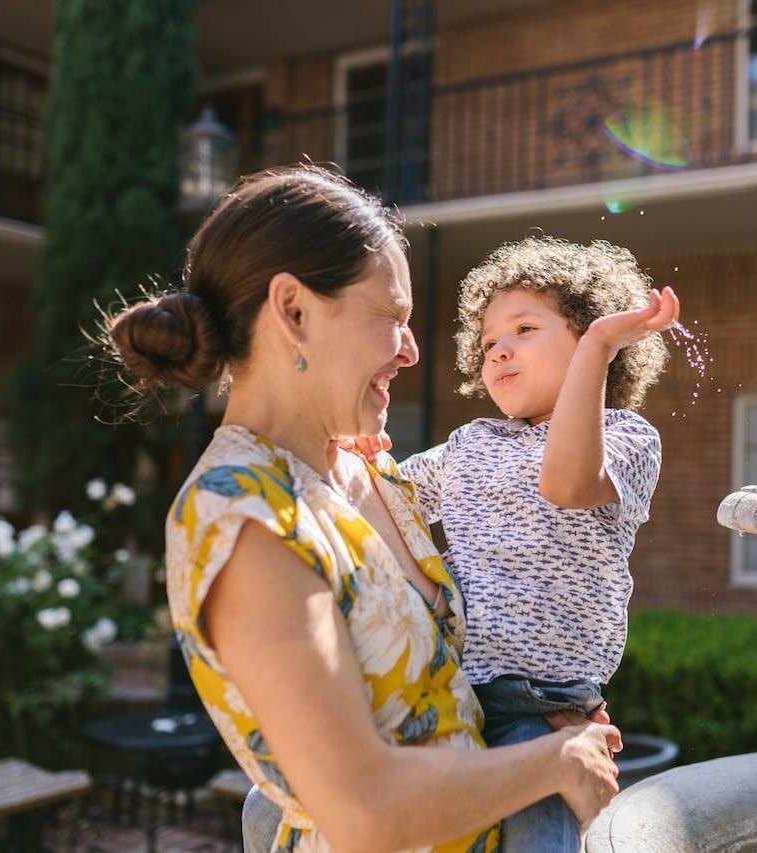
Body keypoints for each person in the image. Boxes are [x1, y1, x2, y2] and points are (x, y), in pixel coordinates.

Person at [103, 166, 621, 853]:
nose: (411, 350)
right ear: (293, 311)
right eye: (392, 318)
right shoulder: (243, 518)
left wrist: (545, 711)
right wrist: (555, 762)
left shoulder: (373, 469)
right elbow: (361, 810)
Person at [354, 237, 678, 851]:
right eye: (486, 343)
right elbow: (390, 500)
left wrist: (601, 348)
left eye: (524, 328)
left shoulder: (627, 437)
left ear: (590, 341)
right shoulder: (470, 443)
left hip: (545, 712)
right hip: (452, 689)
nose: (498, 349)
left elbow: (566, 482)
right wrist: (363, 452)